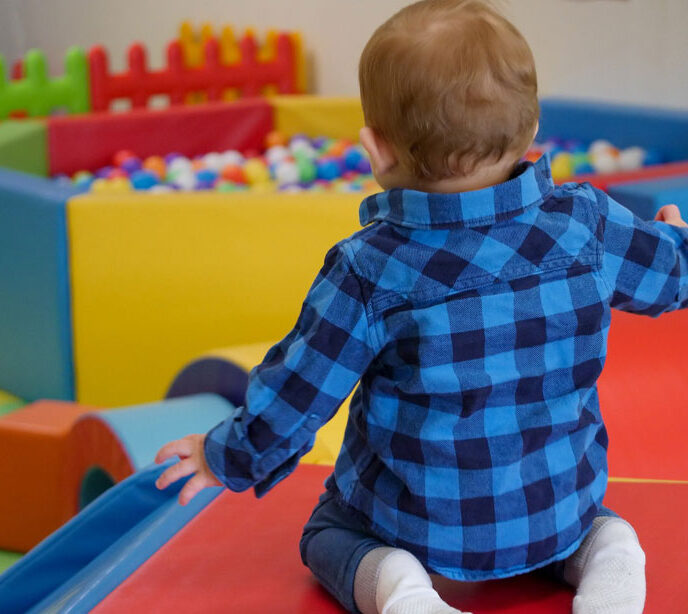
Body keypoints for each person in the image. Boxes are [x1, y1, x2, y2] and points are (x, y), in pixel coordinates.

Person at [155, 1, 688, 612]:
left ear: (375, 151)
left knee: (327, 534)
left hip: (417, 521)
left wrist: (225, 455)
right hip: (556, 507)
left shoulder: (367, 267)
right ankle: (610, 562)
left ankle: (405, 592)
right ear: (533, 126)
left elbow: (300, 391)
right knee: (596, 523)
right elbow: (674, 275)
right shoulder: (586, 223)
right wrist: (674, 235)